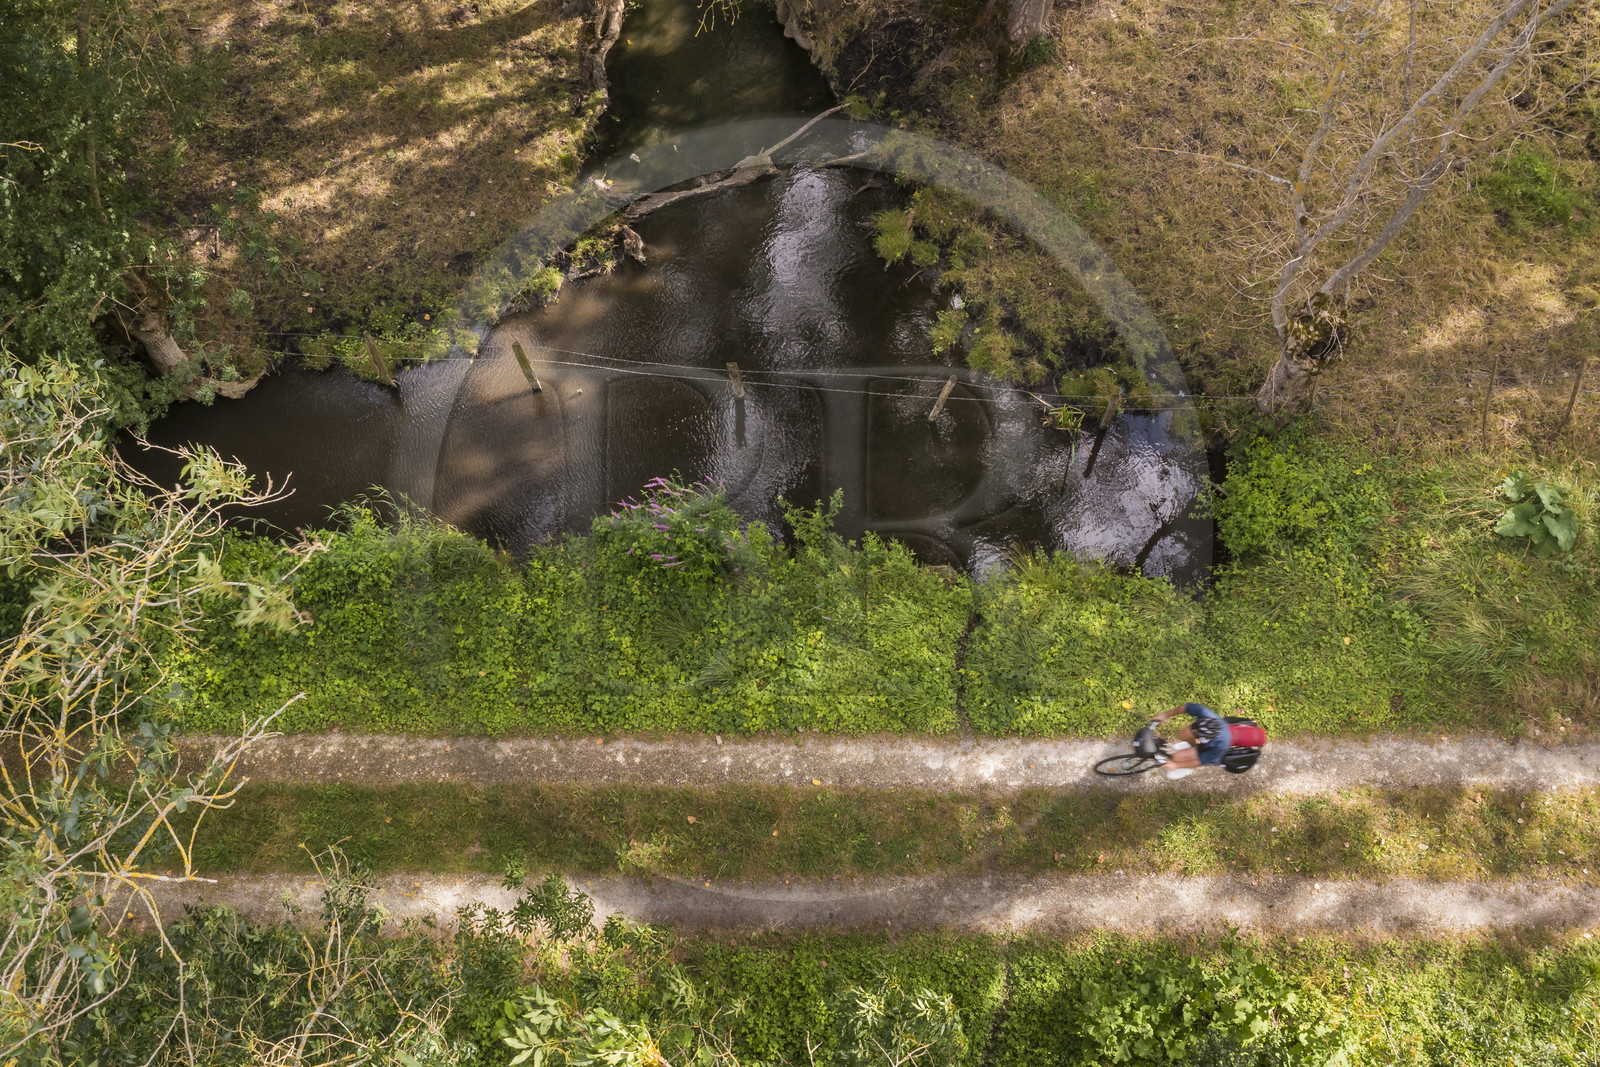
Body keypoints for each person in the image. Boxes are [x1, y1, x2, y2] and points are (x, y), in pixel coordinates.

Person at [1149, 703, 1231, 780]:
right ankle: (1192, 747)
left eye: (1198, 735)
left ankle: (1189, 768)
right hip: (1205, 737)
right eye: (1196, 730)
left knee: (1176, 757)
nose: (1194, 731)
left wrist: (1176, 765)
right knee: (1183, 734)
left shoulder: (1220, 745)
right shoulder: (1205, 713)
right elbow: (1184, 708)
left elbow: (1200, 761)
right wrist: (1165, 715)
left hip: (1209, 749)